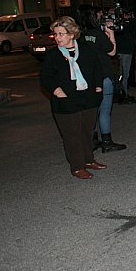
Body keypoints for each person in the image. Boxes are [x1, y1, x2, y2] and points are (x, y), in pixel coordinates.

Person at [39, 16, 107, 179]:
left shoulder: (86, 49)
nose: (57, 38)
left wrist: (98, 87)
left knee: (87, 132)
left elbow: (97, 68)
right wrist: (58, 92)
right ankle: (77, 167)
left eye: (61, 34)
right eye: (55, 34)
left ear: (71, 34)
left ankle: (88, 160)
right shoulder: (53, 55)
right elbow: (45, 77)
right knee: (72, 135)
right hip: (66, 102)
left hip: (87, 98)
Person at [77, 4, 127, 152]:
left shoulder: (79, 35)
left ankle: (92, 140)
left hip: (87, 77)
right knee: (104, 109)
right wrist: (111, 34)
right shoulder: (97, 34)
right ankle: (106, 141)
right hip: (103, 75)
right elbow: (112, 52)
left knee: (92, 109)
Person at [114, 8, 136, 104]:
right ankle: (122, 93)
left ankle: (124, 92)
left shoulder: (130, 23)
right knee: (122, 74)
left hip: (127, 50)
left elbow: (134, 31)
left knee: (125, 74)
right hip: (123, 50)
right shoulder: (120, 24)